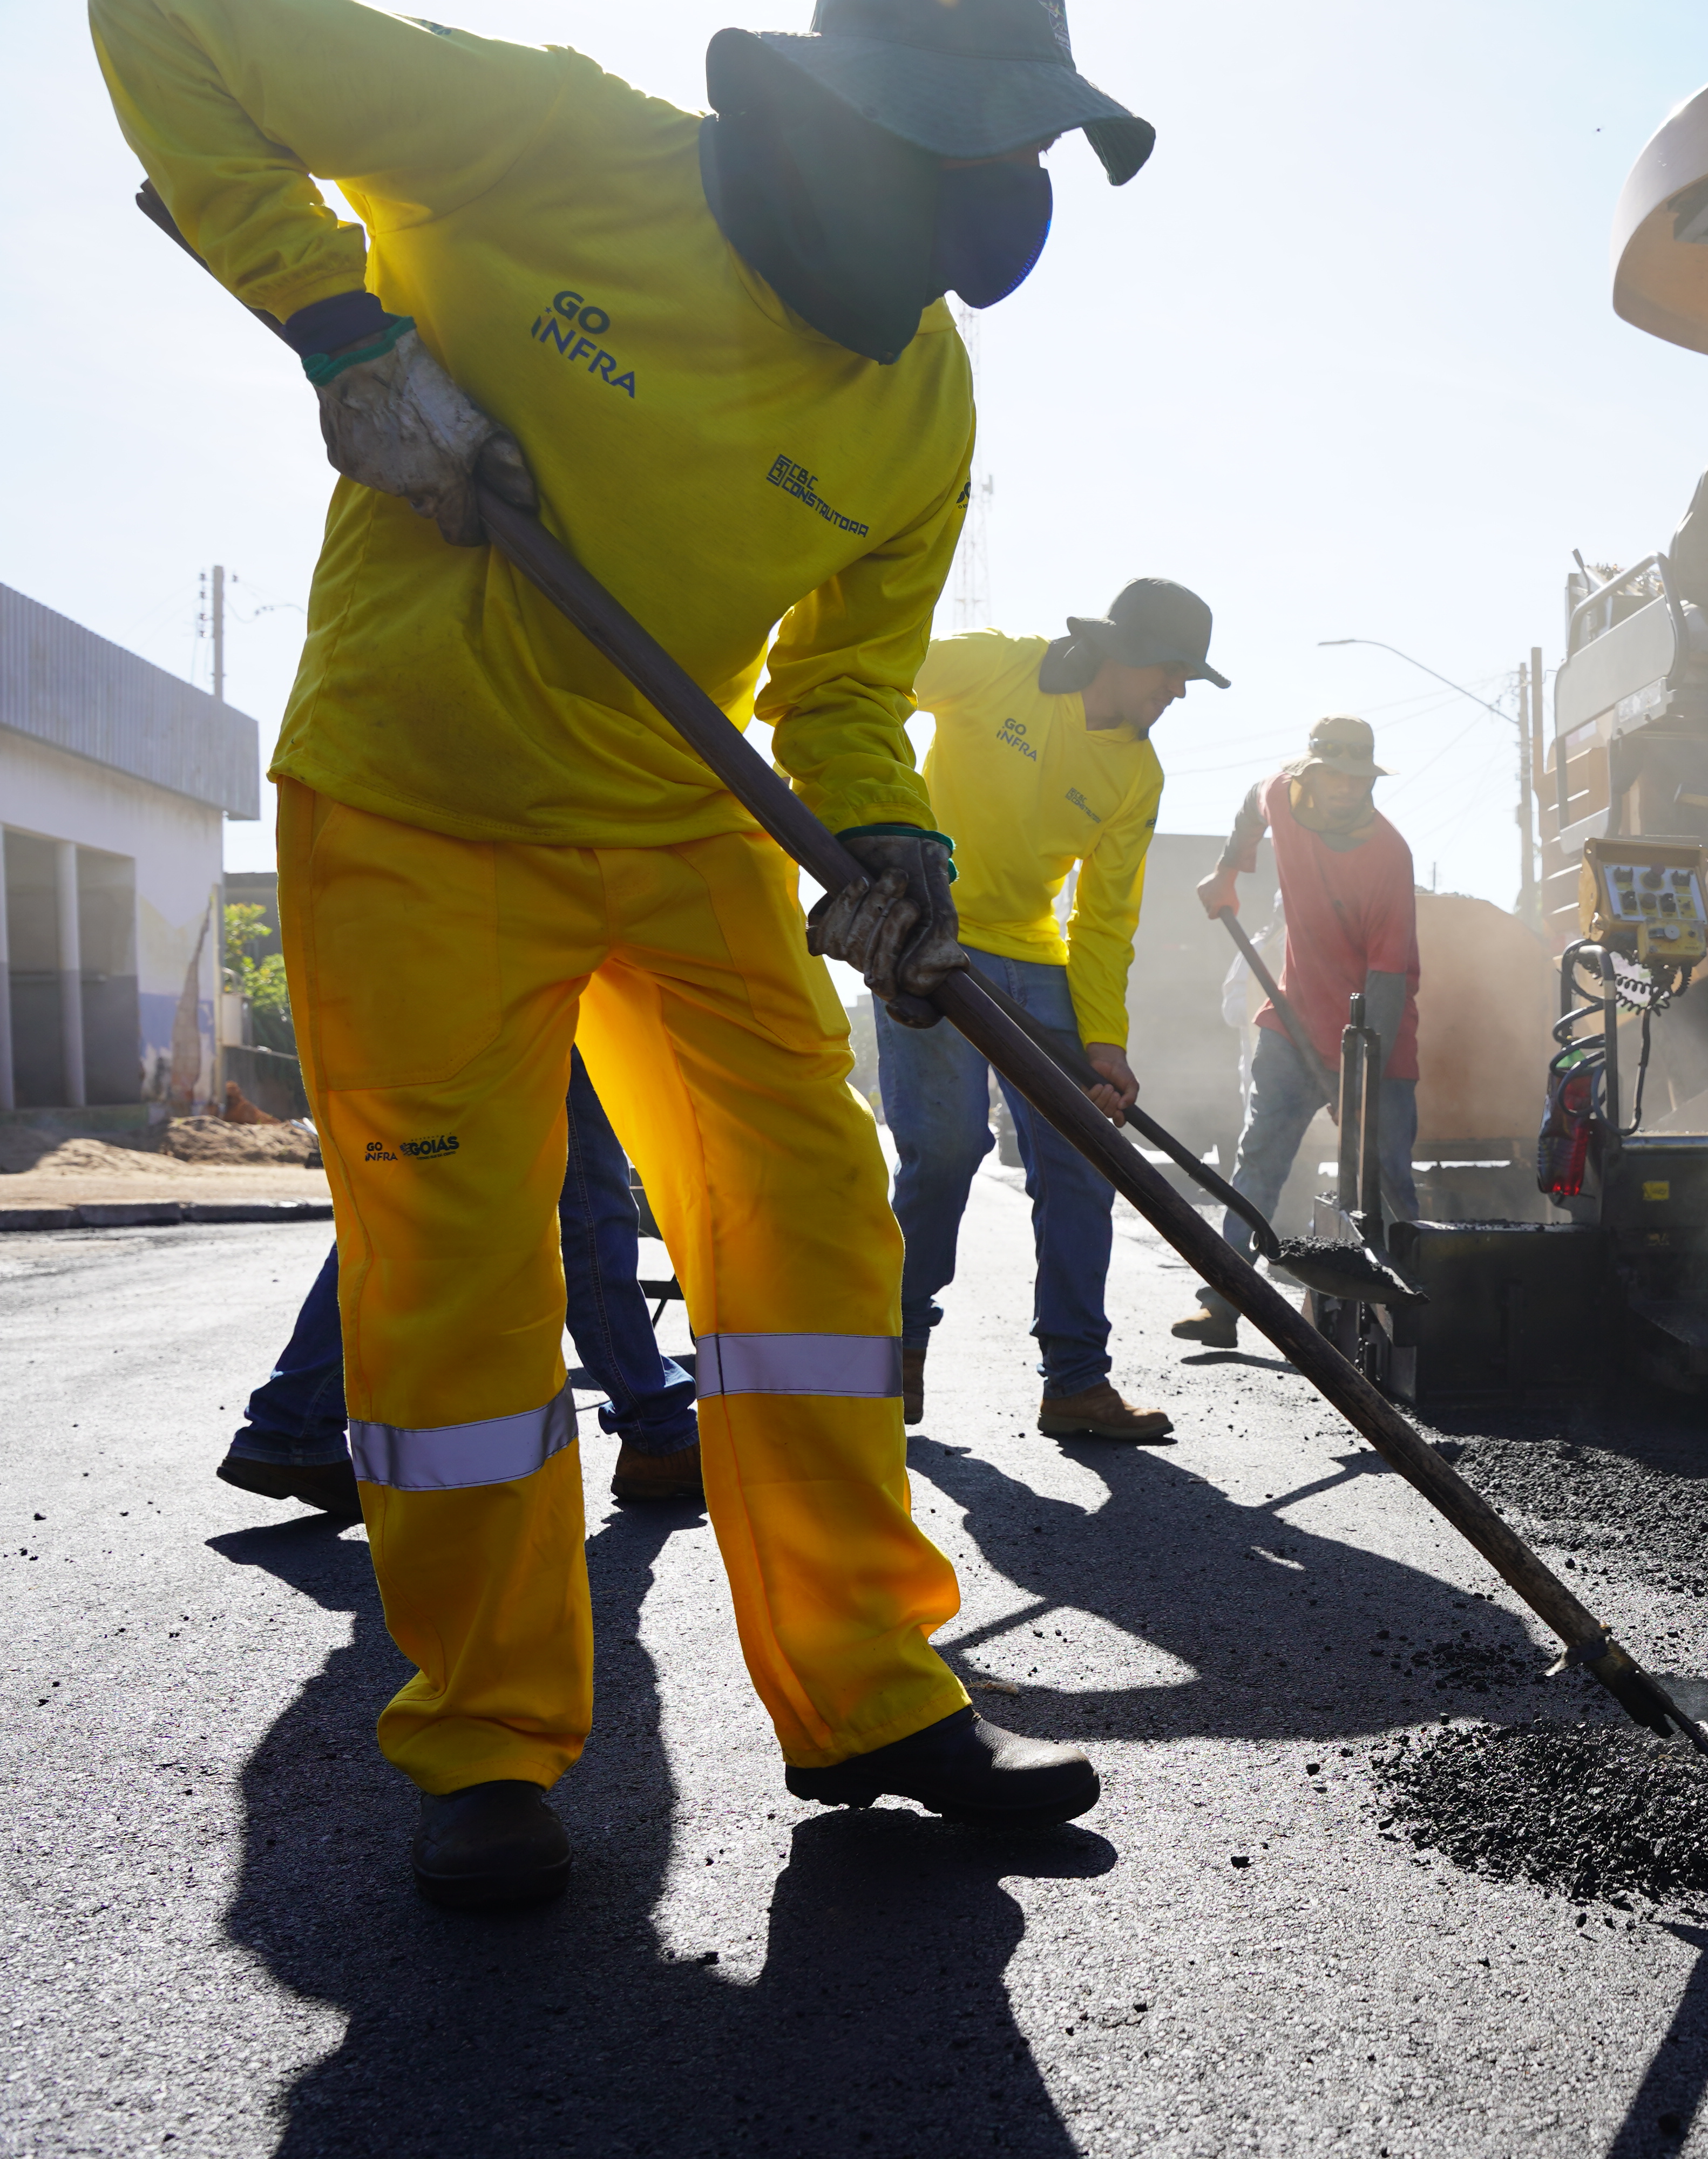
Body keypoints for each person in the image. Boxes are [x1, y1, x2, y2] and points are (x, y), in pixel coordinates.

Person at [97, 0, 1153, 1910]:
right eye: (970, 160)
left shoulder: (918, 394)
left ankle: (872, 1694)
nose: (988, 222)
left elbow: (842, 683)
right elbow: (165, 20)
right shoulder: (555, 145)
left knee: (818, 1229)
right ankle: (487, 1741)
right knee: (458, 1278)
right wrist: (341, 325)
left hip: (680, 826)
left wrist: (892, 844)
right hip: (418, 800)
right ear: (840, 124)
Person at [886, 585, 1225, 1442]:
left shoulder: (1137, 773)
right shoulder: (999, 665)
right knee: (949, 1149)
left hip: (1035, 960)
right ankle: (895, 1349)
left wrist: (1105, 1040)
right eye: (1174, 671)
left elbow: (1105, 920)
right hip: (930, 925)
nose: (1180, 693)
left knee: (1082, 1160)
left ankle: (1076, 1381)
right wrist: (882, 837)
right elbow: (869, 683)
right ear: (1124, 648)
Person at [220, 1055, 701, 1519]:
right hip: (529, 992)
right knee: (586, 1200)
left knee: (406, 1199)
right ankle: (654, 1425)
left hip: (426, 1006)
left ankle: (290, 1422)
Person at [1174, 718, 1421, 1350]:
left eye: (1358, 778)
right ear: (1310, 774)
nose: (1346, 789)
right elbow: (1249, 805)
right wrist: (1229, 868)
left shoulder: (1388, 856)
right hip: (1291, 1023)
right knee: (1259, 1157)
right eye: (1334, 776)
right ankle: (1223, 1303)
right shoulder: (1282, 795)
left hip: (1377, 1034)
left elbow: (1389, 979)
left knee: (1388, 1175)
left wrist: (1358, 1082)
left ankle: (1417, 1313)